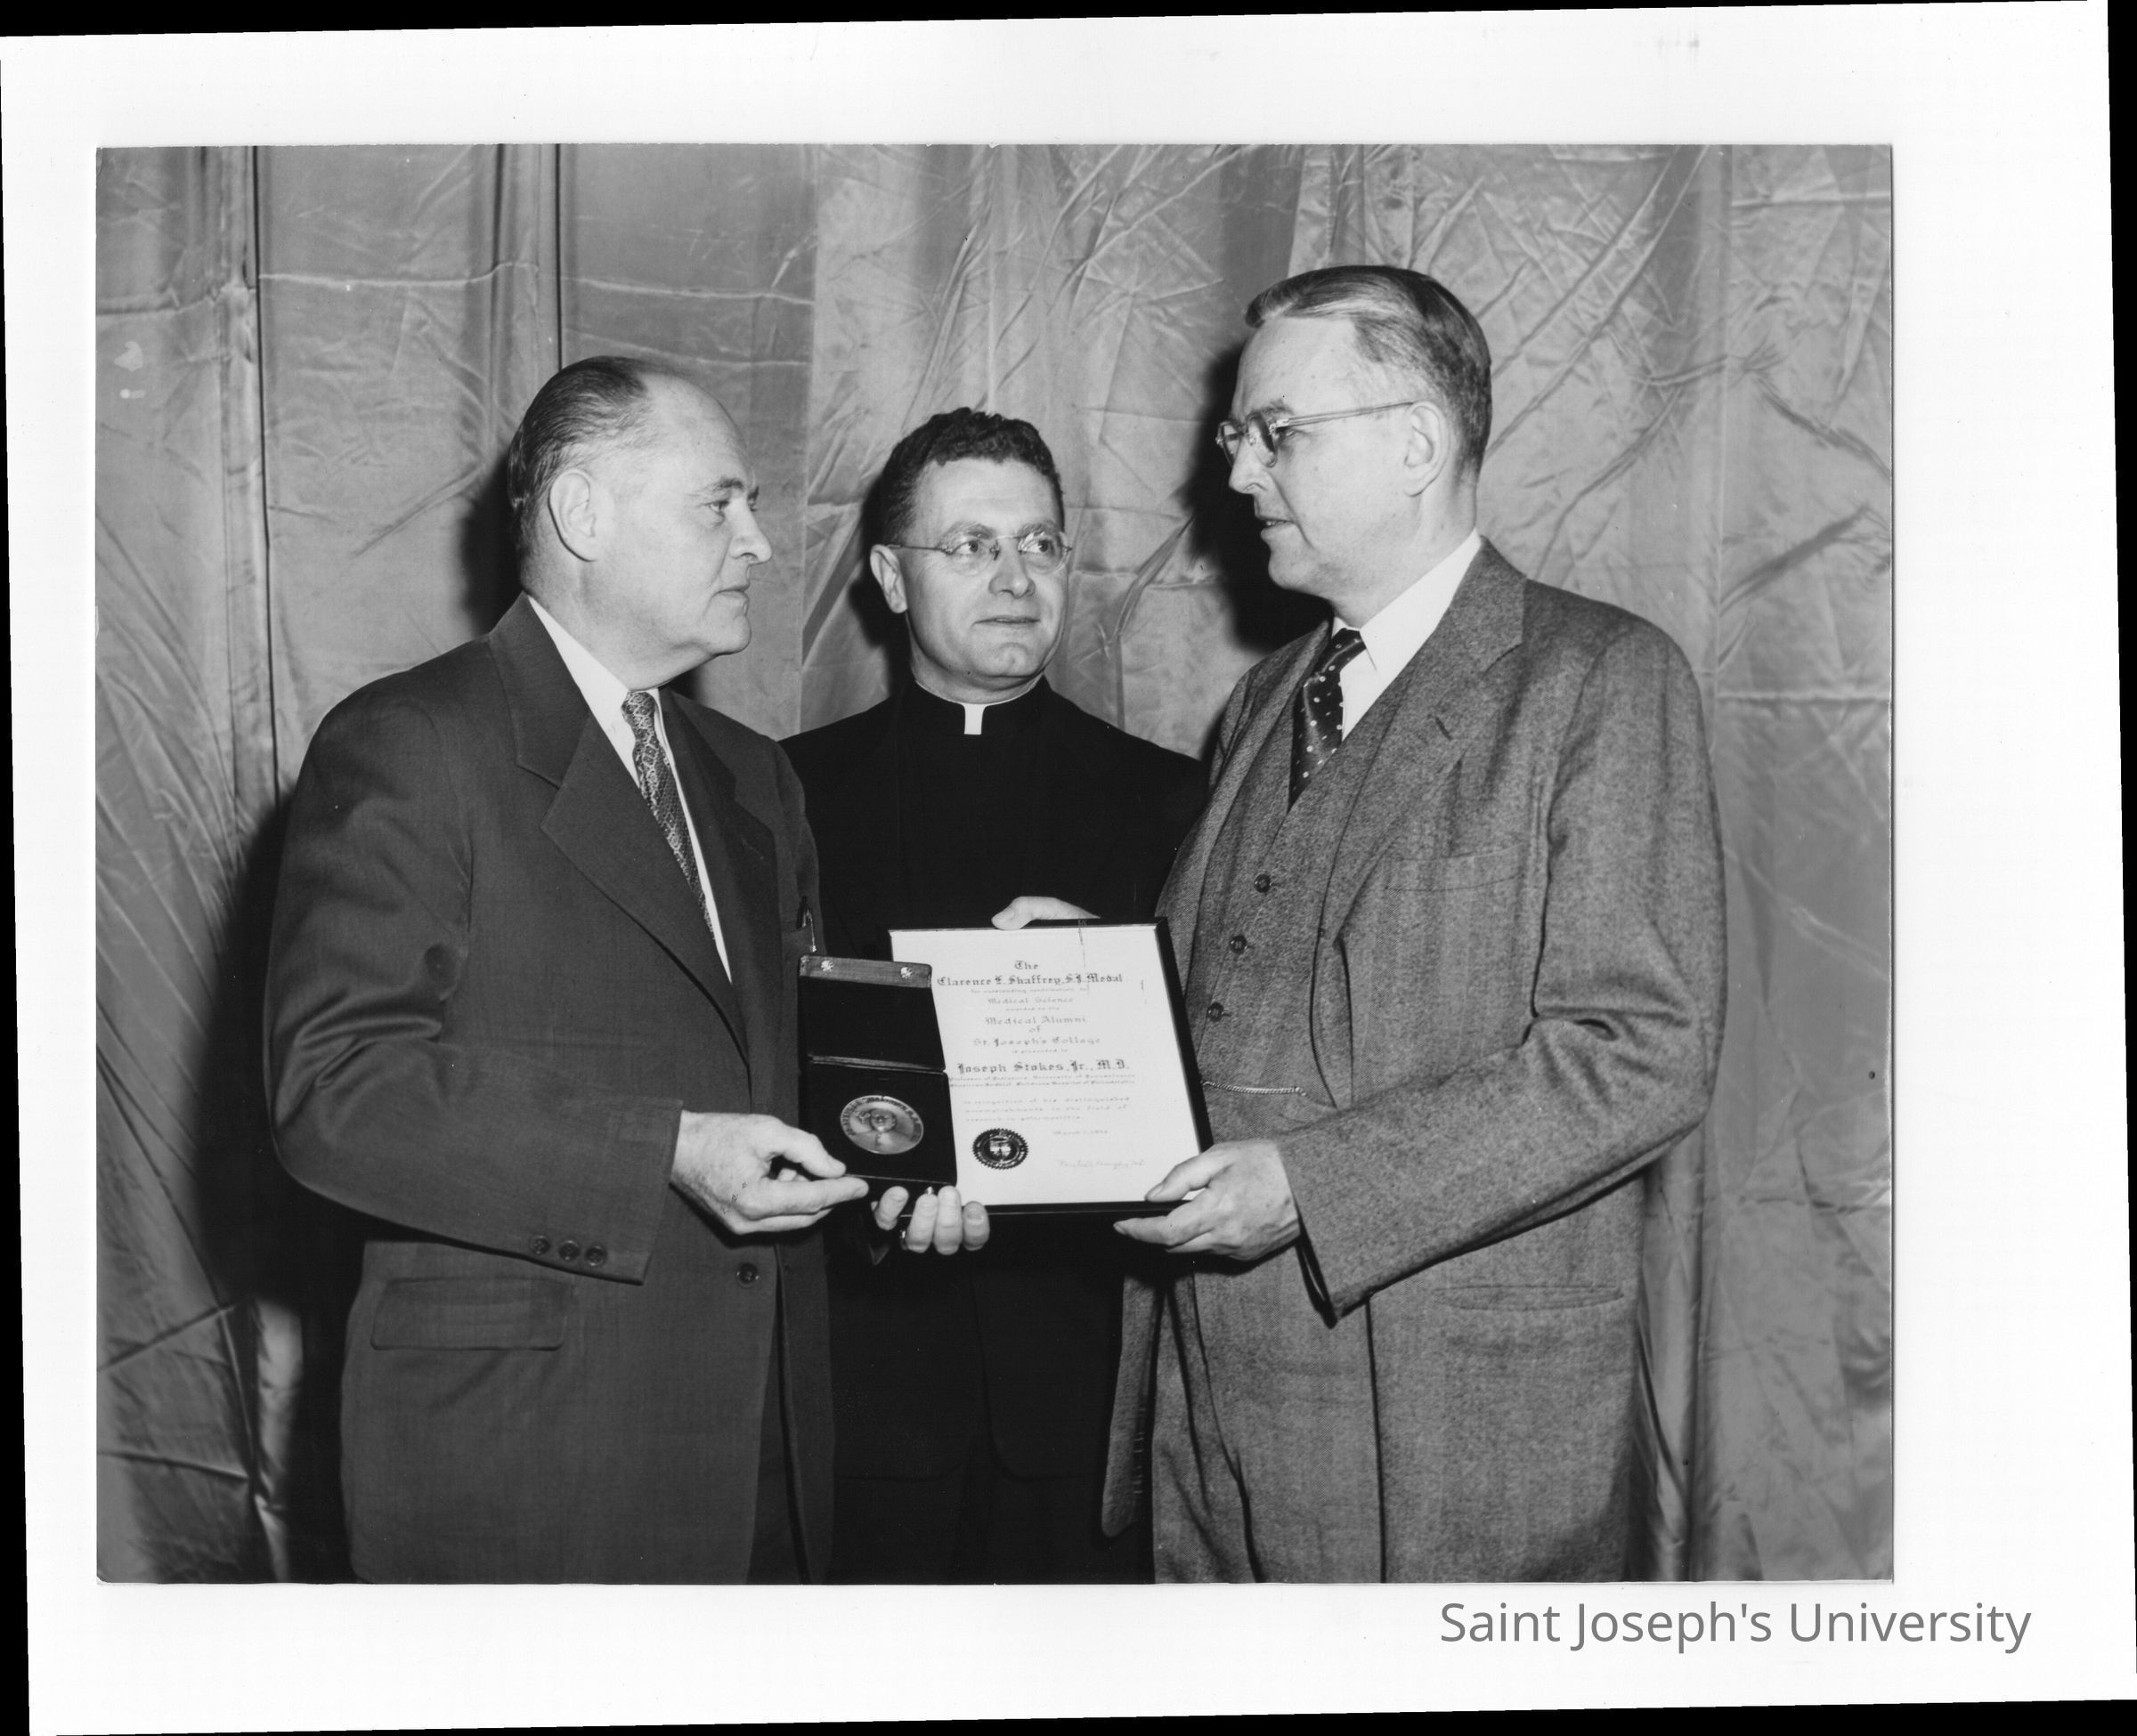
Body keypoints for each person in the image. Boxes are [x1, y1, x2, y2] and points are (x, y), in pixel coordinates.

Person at [264, 356, 986, 1583]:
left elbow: (796, 1083)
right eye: (719, 504)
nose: (760, 541)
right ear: (582, 513)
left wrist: (902, 1177)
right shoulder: (411, 741)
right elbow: (334, 1093)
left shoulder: (754, 775)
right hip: (529, 1463)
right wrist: (664, 1153)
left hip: (769, 1462)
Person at [1107, 266, 1728, 1581]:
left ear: (1416, 444)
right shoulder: (1267, 696)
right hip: (1203, 1396)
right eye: (1238, 435)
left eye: (1278, 433)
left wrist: (1311, 1188)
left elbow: (1641, 1054)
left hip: (1442, 1415)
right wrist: (1089, 972)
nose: (1238, 474)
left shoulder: (1600, 679)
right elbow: (1245, 981)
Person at [784, 409, 1204, 1582]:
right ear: (890, 578)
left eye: (1041, 545)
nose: (1016, 579)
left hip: (1087, 1403)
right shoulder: (786, 796)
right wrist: (869, 1201)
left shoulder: (1174, 801)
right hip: (862, 1383)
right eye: (970, 546)